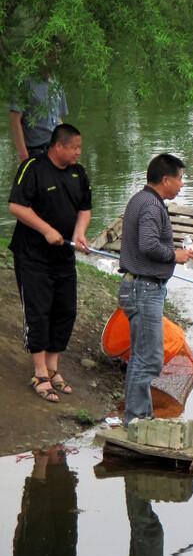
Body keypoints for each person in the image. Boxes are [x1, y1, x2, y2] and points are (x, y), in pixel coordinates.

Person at [8, 123, 91, 403]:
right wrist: (45, 229)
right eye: (75, 148)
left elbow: (84, 209)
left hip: (63, 256)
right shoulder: (33, 167)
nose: (78, 153)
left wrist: (79, 234)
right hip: (33, 256)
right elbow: (16, 206)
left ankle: (54, 367)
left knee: (64, 310)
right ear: (59, 146)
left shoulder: (78, 173)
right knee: (39, 311)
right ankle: (40, 373)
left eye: (80, 148)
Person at [118, 153, 193, 426]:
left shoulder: (143, 199)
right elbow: (148, 245)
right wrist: (176, 255)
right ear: (166, 179)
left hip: (140, 287)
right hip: (143, 289)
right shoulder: (151, 205)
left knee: (144, 355)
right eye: (180, 178)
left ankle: (139, 416)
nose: (182, 184)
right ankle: (137, 420)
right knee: (149, 358)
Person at [9, 69, 68, 163]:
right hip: (34, 152)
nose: (56, 61)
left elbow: (58, 119)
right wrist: (24, 156)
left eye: (57, 56)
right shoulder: (24, 83)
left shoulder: (57, 83)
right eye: (51, 55)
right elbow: (15, 121)